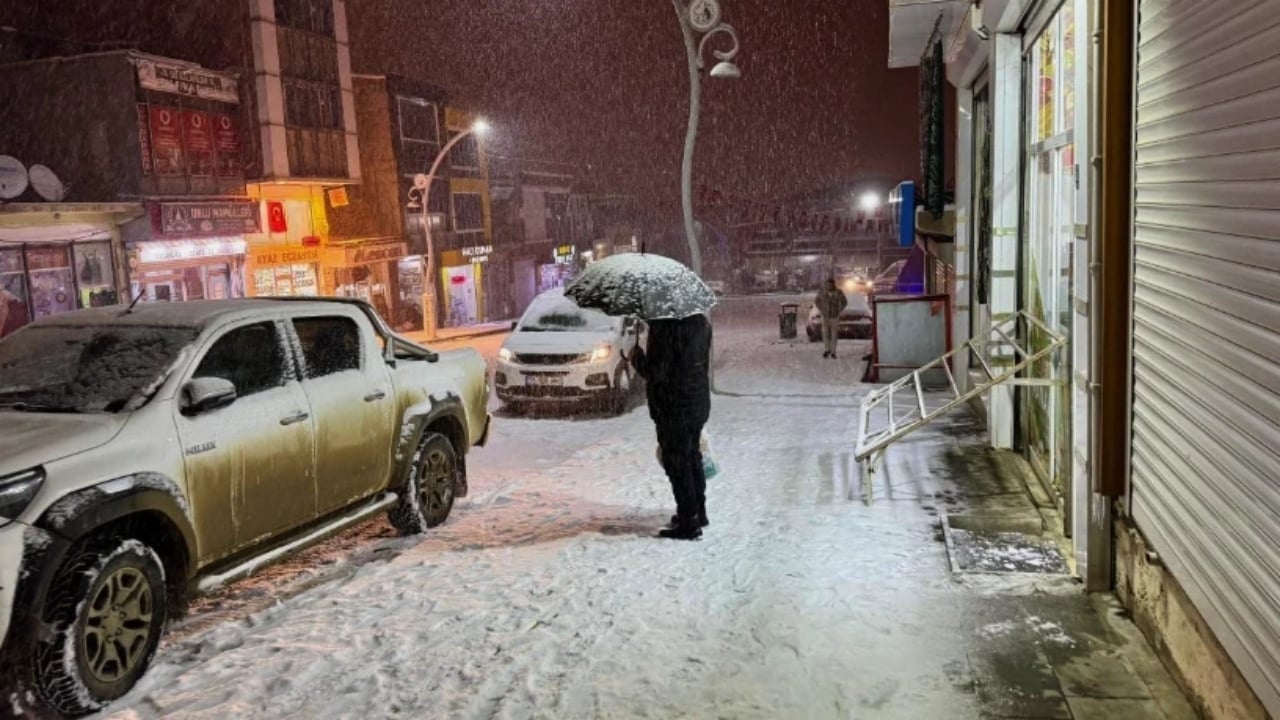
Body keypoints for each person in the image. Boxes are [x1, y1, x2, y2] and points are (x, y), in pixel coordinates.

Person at [629, 313, 713, 540]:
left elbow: (658, 372)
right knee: (692, 455)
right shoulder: (700, 322)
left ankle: (689, 521)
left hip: (673, 405)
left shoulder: (665, 328)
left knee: (677, 461)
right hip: (696, 402)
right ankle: (698, 512)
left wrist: (637, 360)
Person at [814, 278, 848, 359]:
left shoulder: (838, 292)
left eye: (830, 284)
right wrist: (821, 308)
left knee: (834, 335)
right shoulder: (822, 291)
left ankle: (833, 352)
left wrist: (839, 310)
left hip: (834, 316)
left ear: (833, 284)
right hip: (825, 315)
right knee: (825, 334)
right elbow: (817, 301)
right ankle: (827, 349)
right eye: (827, 284)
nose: (829, 286)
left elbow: (844, 302)